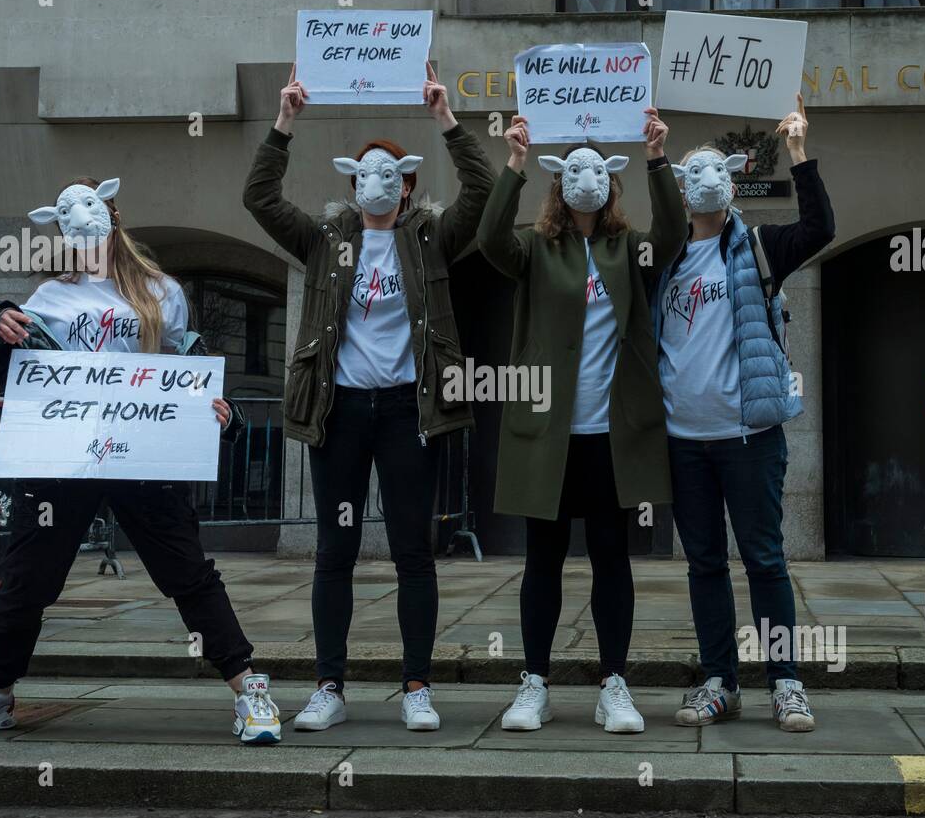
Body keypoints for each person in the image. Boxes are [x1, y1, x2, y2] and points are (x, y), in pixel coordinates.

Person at [0, 176, 284, 745]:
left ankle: (248, 687)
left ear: (112, 215)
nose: (82, 231)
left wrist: (218, 412)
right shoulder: (49, 297)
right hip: (64, 454)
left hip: (143, 453)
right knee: (27, 576)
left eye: (91, 216)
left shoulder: (161, 291)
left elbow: (185, 365)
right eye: (68, 224)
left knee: (189, 573)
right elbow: (2, 359)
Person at [242, 64, 495, 732]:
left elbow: (485, 192)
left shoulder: (429, 238)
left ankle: (416, 682)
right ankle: (330, 683)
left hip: (410, 411)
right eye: (364, 175)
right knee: (336, 548)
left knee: (413, 549)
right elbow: (260, 199)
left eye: (390, 174)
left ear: (407, 182)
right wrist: (284, 120)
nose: (376, 184)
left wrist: (446, 117)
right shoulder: (328, 241)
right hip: (342, 410)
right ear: (351, 185)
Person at [477, 110, 685, 733]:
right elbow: (489, 242)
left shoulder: (628, 247)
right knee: (542, 558)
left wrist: (657, 158)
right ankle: (533, 683)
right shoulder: (539, 247)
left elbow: (672, 234)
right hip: (550, 434)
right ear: (558, 182)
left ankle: (612, 684)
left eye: (598, 169)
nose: (586, 180)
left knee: (610, 557)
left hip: (613, 433)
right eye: (574, 170)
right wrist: (513, 162)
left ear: (612, 182)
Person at [658, 94, 835, 732]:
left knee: (764, 560)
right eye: (693, 171)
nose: (707, 180)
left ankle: (785, 681)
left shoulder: (759, 248)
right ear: (680, 189)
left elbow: (820, 230)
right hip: (684, 441)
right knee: (704, 564)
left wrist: (798, 154)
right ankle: (719, 682)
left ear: (732, 182)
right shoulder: (666, 258)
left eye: (717, 170)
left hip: (750, 435)